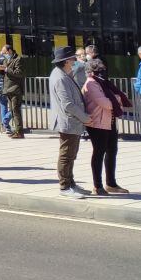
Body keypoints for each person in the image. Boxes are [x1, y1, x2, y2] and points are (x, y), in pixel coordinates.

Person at [48, 46, 92, 198]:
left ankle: (70, 183)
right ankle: (65, 186)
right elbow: (68, 104)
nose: (75, 61)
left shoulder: (61, 74)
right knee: (67, 155)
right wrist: (85, 117)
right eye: (73, 59)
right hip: (68, 122)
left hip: (71, 121)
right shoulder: (60, 78)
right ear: (66, 61)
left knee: (71, 154)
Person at [82, 58, 130, 196]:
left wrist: (116, 98)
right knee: (99, 152)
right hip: (97, 123)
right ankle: (98, 186)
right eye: (99, 70)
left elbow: (116, 99)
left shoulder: (104, 83)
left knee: (112, 151)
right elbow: (106, 103)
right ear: (91, 72)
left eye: (103, 69)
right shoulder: (91, 84)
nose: (102, 72)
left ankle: (111, 183)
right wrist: (118, 99)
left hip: (110, 120)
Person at [0, 45, 25, 138]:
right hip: (8, 89)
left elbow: (19, 73)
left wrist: (5, 69)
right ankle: (17, 130)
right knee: (12, 111)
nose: (3, 55)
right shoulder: (6, 60)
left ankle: (19, 132)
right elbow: (5, 72)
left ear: (9, 51)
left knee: (16, 111)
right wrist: (0, 69)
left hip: (15, 89)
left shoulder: (18, 59)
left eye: (4, 53)